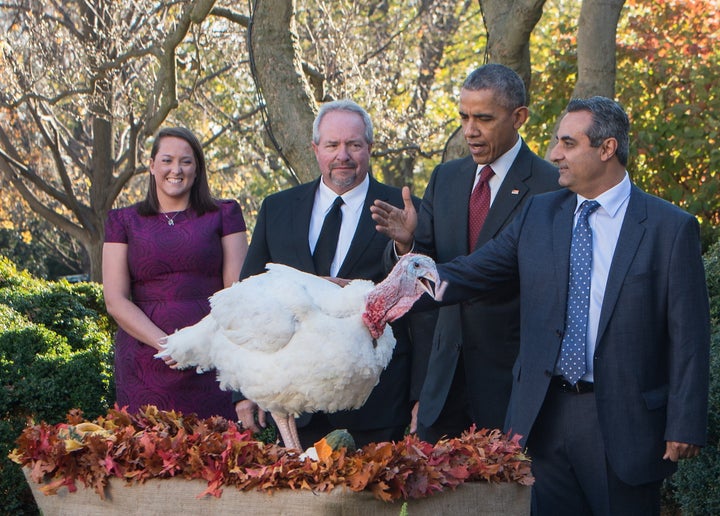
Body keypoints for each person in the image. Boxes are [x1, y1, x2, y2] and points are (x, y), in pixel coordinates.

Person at [401, 97, 710, 515]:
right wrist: (379, 296)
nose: (553, 154)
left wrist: (684, 422)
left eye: (568, 143)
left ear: (606, 148)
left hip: (624, 421)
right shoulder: (539, 214)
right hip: (543, 416)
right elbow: (468, 274)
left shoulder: (668, 228)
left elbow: (689, 337)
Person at [371, 63, 559, 443]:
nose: (469, 130)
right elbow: (430, 271)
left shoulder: (550, 186)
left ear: (518, 117)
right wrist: (408, 244)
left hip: (510, 386)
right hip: (443, 384)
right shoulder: (447, 177)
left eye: (484, 119)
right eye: (464, 116)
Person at [233, 99, 424, 449]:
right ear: (315, 149)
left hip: (376, 402)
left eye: (354, 144)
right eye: (332, 145)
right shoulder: (277, 209)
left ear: (369, 148)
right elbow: (249, 301)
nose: (343, 155)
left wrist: (421, 395)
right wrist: (245, 390)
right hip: (294, 403)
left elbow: (421, 308)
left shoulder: (403, 210)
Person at [103, 126, 249, 420]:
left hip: (212, 356)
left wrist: (197, 342)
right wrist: (168, 346)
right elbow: (115, 300)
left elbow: (236, 294)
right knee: (149, 457)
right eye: (167, 160)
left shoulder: (225, 214)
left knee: (218, 457)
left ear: (197, 169)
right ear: (152, 166)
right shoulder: (122, 221)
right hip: (146, 360)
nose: (176, 170)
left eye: (186, 161)